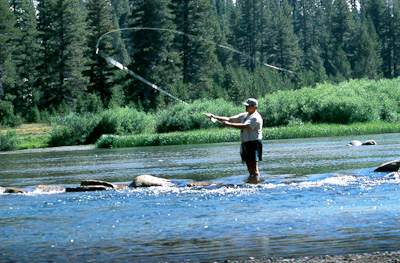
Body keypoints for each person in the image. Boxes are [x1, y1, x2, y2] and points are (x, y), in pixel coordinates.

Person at [204, 98, 263, 183]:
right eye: (246, 106)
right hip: (246, 143)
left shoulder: (255, 117)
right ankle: (252, 182)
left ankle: (256, 183)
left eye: (248, 106)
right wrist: (214, 117)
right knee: (249, 166)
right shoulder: (245, 115)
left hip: (254, 143)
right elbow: (229, 119)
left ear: (254, 107)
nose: (246, 108)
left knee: (254, 167)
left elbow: (244, 126)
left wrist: (229, 125)